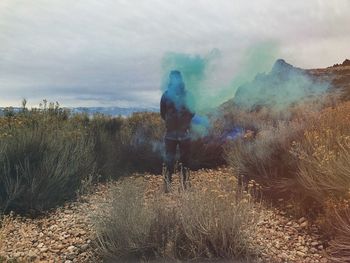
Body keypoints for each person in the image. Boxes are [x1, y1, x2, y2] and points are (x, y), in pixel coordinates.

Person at [160, 70, 195, 192]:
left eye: (177, 78)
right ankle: (167, 186)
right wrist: (171, 124)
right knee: (168, 160)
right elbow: (163, 113)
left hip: (184, 134)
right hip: (170, 135)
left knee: (185, 161)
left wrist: (184, 124)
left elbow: (192, 111)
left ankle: (185, 185)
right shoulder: (166, 95)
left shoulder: (188, 95)